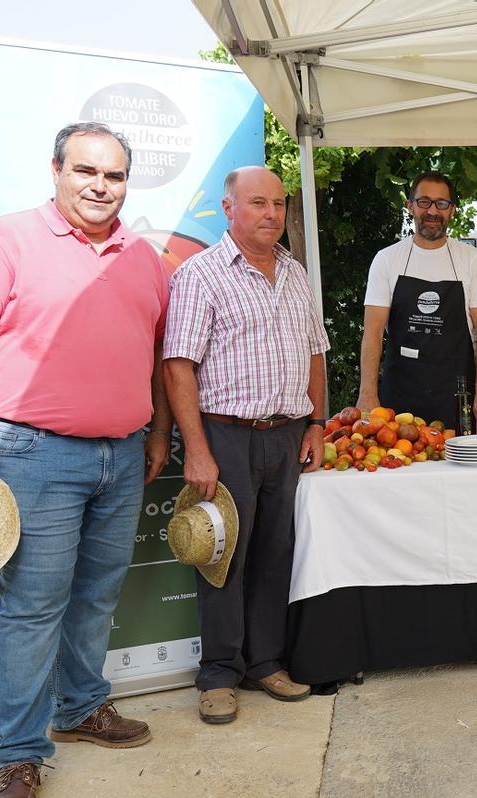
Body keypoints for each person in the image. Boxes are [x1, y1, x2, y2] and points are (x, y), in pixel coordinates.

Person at [0, 122, 171, 798]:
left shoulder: (143, 257)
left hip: (124, 453)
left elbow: (151, 352)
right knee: (32, 607)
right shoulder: (4, 240)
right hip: (33, 452)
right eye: (86, 171)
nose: (101, 186)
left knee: (98, 595)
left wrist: (157, 431)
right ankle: (16, 753)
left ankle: (79, 708)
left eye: (115, 175)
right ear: (56, 171)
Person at [163, 166, 330, 724]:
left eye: (279, 204)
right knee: (223, 554)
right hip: (226, 435)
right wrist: (198, 448)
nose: (272, 214)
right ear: (228, 208)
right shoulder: (201, 275)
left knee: (274, 553)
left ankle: (265, 662)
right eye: (258, 203)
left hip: (286, 435)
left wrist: (316, 422)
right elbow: (178, 367)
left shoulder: (294, 273)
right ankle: (217, 674)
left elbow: (314, 353)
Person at [357, 172, 477, 432]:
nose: (432, 211)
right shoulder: (387, 259)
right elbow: (373, 331)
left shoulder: (471, 259)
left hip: (456, 394)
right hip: (399, 394)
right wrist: (367, 393)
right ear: (410, 206)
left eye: (441, 203)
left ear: (452, 210)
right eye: (424, 202)